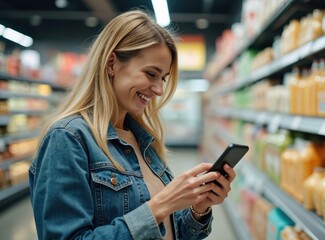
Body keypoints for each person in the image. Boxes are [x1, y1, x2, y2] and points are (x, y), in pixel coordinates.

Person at [29, 9, 236, 240]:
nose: (159, 89)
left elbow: (169, 232)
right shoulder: (68, 138)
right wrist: (160, 206)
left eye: (163, 78)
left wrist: (199, 208)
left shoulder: (142, 139)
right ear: (111, 64)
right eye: (151, 74)